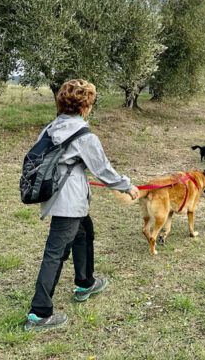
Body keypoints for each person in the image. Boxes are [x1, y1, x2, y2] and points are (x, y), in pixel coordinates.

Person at [25, 79, 139, 332]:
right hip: (69, 201)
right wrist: (127, 186)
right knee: (55, 253)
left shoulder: (50, 127)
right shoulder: (83, 135)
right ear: (86, 105)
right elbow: (103, 170)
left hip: (56, 195)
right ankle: (39, 313)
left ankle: (85, 282)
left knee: (84, 234)